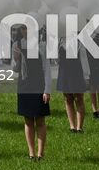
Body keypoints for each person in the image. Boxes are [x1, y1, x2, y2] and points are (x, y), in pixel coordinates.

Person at [13, 28, 51, 161]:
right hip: (24, 85)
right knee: (28, 120)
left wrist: (47, 89)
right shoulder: (17, 44)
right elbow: (15, 68)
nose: (25, 31)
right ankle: (31, 153)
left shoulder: (41, 45)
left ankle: (40, 153)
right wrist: (16, 59)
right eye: (23, 28)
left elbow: (46, 68)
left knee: (40, 120)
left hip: (39, 85)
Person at [55, 30, 90, 132]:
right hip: (64, 71)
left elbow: (83, 58)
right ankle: (72, 126)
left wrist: (86, 76)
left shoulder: (79, 41)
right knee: (68, 98)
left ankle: (79, 127)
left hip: (77, 71)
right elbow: (56, 60)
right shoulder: (59, 41)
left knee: (79, 98)